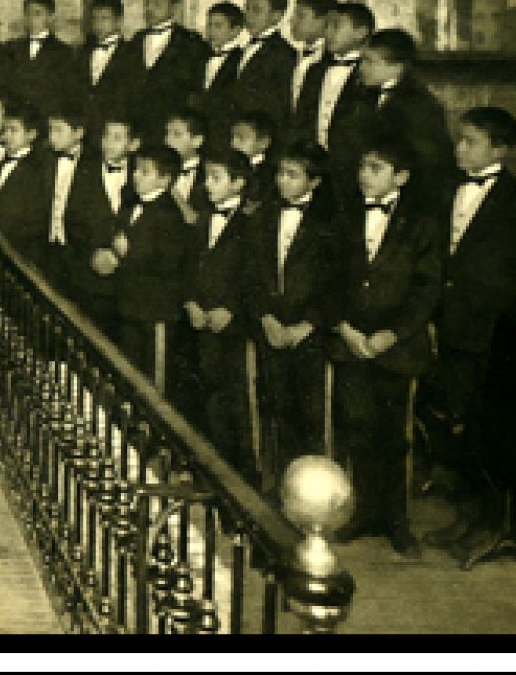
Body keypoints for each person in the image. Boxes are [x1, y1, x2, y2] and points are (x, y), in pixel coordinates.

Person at [422, 107, 516, 561]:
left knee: (484, 432)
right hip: (448, 326)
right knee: (449, 426)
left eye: (471, 142)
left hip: (492, 335)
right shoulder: (448, 189)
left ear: (500, 149)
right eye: (459, 140)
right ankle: (470, 517)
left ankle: (494, 525)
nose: (460, 148)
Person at [327, 137, 442, 557]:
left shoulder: (422, 223)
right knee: (357, 429)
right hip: (352, 343)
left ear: (401, 177)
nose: (363, 175)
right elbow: (330, 280)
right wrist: (346, 329)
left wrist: (390, 335)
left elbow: (426, 290)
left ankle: (396, 519)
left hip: (396, 348)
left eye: (375, 168)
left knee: (393, 436)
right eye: (362, 166)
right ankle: (364, 513)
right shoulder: (345, 216)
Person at [249, 141, 338, 486]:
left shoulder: (330, 222)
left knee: (312, 417)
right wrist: (266, 318)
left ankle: (313, 493)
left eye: (292, 175)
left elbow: (334, 283)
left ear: (314, 181)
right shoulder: (263, 217)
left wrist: (308, 325)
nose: (282, 181)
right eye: (279, 174)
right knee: (276, 410)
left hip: (309, 336)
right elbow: (251, 276)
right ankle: (282, 487)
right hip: (271, 328)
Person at [182, 148, 259, 480]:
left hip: (233, 326)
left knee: (238, 401)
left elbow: (252, 276)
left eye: (215, 178)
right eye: (206, 178)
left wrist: (231, 310)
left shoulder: (251, 226)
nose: (207, 185)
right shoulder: (200, 222)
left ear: (238, 184)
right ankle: (213, 468)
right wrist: (191, 303)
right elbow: (187, 268)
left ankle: (243, 474)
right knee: (208, 395)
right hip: (201, 321)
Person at [96, 144, 187, 388]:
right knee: (130, 372)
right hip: (128, 305)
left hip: (154, 312)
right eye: (136, 169)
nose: (135, 175)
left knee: (154, 382)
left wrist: (128, 253)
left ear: (165, 180)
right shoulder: (130, 206)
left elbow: (168, 262)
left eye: (144, 172)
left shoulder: (170, 216)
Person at [65, 110, 142, 341]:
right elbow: (73, 220)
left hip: (127, 280)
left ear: (134, 144)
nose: (108, 143)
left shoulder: (143, 174)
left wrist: (119, 255)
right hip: (89, 276)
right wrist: (92, 254)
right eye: (106, 136)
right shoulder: (85, 171)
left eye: (117, 137)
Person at [359, 28, 455, 210]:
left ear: (397, 67)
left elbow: (429, 163)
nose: (361, 68)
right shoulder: (366, 95)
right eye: (362, 60)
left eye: (369, 61)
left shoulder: (419, 105)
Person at [297, 0, 374, 211]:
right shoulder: (315, 71)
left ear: (361, 32)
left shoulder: (371, 75)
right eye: (327, 26)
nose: (328, 33)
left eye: (336, 26)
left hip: (354, 172)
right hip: (316, 172)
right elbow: (302, 120)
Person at [120, 0, 209, 143]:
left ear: (174, 7)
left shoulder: (191, 43)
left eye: (156, 3)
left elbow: (196, 90)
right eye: (146, 3)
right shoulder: (136, 40)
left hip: (173, 132)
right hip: (138, 131)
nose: (149, 8)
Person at [0, 99, 52, 271]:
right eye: (5, 130)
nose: (7, 136)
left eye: (13, 130)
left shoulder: (39, 170)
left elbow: (36, 221)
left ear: (31, 134)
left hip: (21, 257)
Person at [233, 0, 300, 137]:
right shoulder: (242, 50)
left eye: (256, 11)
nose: (248, 16)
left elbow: (279, 107)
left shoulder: (284, 53)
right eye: (247, 9)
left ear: (276, 16)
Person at [42, 104, 92, 300]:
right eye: (50, 130)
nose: (52, 136)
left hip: (77, 250)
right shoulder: (44, 158)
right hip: (47, 244)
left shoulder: (93, 164)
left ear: (78, 133)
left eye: (58, 130)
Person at [3, 0, 78, 118]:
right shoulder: (11, 48)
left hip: (47, 119)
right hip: (17, 121)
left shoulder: (64, 52)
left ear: (50, 17)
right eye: (28, 14)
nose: (32, 19)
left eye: (37, 14)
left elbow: (67, 93)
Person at [76, 0, 137, 139]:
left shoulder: (132, 52)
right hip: (85, 129)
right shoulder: (82, 51)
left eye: (104, 19)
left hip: (115, 129)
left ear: (118, 21)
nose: (98, 25)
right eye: (95, 19)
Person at [196, 0, 248, 145]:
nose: (211, 31)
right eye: (209, 25)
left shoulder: (241, 59)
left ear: (235, 30)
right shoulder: (200, 56)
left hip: (224, 133)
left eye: (218, 26)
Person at [287, 0, 337, 117]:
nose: (291, 21)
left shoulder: (333, 60)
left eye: (300, 16)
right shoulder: (289, 55)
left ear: (324, 21)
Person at [164, 107, 211, 227]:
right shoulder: (158, 167)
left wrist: (174, 193)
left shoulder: (209, 173)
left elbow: (199, 221)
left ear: (197, 141)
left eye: (176, 134)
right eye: (167, 133)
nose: (168, 140)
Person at [228, 109, 278, 215]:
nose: (233, 143)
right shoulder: (227, 167)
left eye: (241, 138)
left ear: (263, 143)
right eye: (232, 137)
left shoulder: (270, 174)